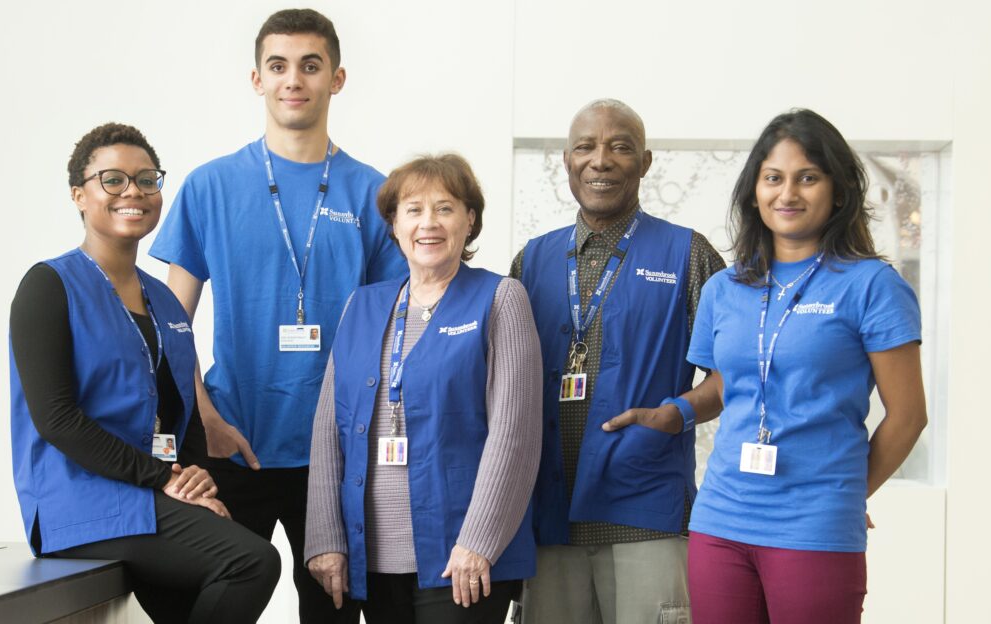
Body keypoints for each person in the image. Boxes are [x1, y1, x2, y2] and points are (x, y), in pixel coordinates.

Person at [148, 8, 406, 621]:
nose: (295, 79)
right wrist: (203, 413)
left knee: (334, 611)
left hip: (335, 452)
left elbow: (394, 334)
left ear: (336, 79)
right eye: (280, 66)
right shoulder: (211, 186)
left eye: (311, 66)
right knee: (213, 604)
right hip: (231, 440)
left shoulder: (373, 194)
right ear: (257, 79)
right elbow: (168, 327)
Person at [9, 123, 280, 624]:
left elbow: (183, 414)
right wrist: (166, 481)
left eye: (146, 179)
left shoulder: (166, 302)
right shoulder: (49, 286)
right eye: (112, 179)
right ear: (79, 195)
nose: (133, 191)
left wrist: (198, 480)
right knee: (251, 562)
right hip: (83, 504)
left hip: (152, 498)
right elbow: (56, 419)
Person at [685, 109, 927, 624]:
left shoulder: (871, 286)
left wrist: (844, 491)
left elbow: (908, 416)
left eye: (807, 178)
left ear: (837, 191)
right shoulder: (723, 289)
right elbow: (731, 387)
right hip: (720, 520)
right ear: (755, 191)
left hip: (814, 526)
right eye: (773, 178)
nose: (787, 193)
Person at [511, 99, 727, 624]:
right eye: (585, 146)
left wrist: (677, 412)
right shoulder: (530, 261)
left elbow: (734, 374)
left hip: (646, 513)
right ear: (566, 160)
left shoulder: (689, 255)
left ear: (645, 162)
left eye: (620, 147)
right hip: (547, 518)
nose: (600, 160)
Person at [305, 154, 542, 623]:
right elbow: (328, 427)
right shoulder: (364, 303)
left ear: (469, 220)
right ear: (394, 224)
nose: (427, 223)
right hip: (372, 557)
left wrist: (479, 541)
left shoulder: (500, 298)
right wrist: (325, 537)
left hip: (461, 558)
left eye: (445, 208)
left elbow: (514, 437)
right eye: (413, 209)